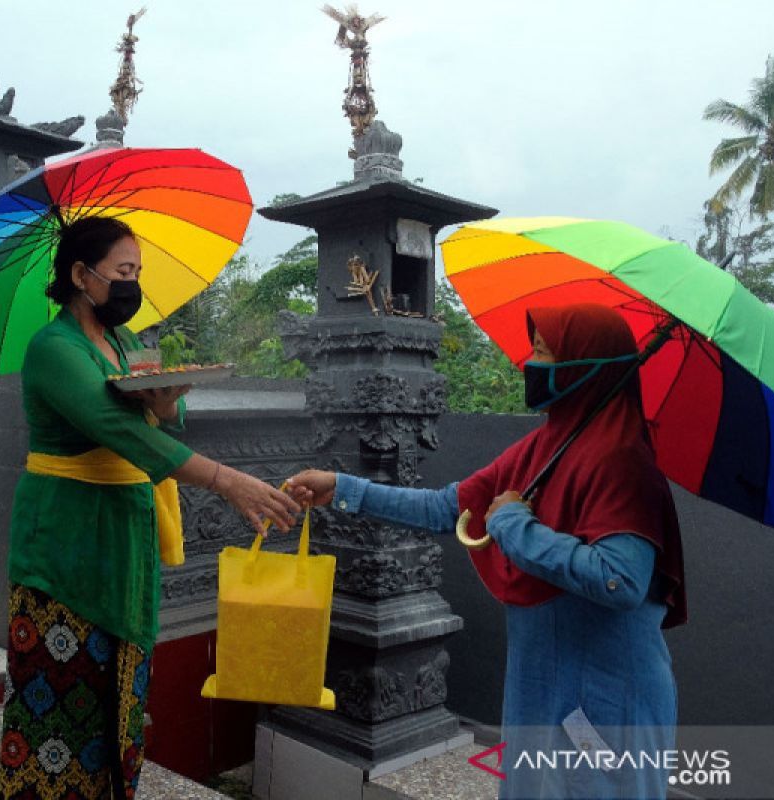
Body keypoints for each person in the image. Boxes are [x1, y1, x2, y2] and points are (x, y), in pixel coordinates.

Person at [288, 304, 687, 799]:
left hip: (604, 699)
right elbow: (447, 508)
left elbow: (618, 579)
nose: (531, 364)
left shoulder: (625, 463)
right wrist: (345, 490)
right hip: (541, 689)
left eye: (544, 352)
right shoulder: (546, 446)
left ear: (584, 365)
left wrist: (514, 524)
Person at [0, 216, 300, 800]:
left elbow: (157, 418)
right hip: (66, 538)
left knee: (122, 686)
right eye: (123, 272)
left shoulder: (127, 343)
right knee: (61, 693)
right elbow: (120, 428)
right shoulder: (54, 349)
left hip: (124, 532)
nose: (133, 284)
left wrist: (165, 402)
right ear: (82, 275)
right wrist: (226, 481)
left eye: (137, 272)